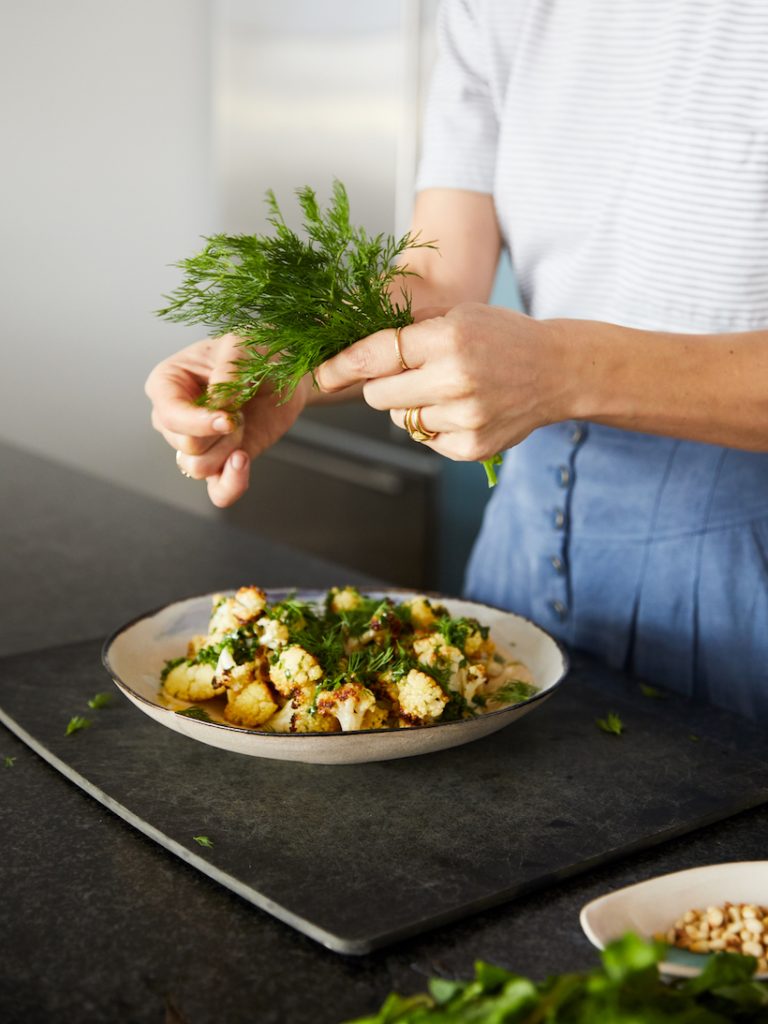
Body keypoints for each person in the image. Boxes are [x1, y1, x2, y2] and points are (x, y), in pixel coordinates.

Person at [146, 0, 768, 719]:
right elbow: (437, 277)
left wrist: (564, 369)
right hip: (521, 555)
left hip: (742, 582)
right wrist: (291, 354)